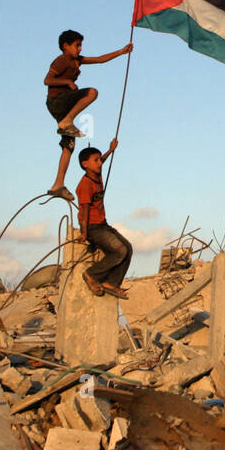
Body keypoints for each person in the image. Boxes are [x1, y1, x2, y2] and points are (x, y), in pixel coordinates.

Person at [44, 30, 133, 201]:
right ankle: (67, 120)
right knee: (92, 92)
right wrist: (67, 82)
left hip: (63, 106)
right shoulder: (62, 60)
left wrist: (121, 52)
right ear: (65, 46)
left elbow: (99, 59)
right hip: (57, 101)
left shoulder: (77, 61)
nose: (79, 48)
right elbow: (47, 80)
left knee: (68, 145)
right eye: (77, 45)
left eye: (80, 45)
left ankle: (58, 184)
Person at [75, 140, 131, 299]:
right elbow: (84, 211)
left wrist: (110, 150)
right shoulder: (85, 185)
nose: (100, 163)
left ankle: (112, 283)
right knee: (120, 251)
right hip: (93, 227)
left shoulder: (96, 174)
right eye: (96, 160)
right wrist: (85, 234)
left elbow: (101, 162)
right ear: (85, 164)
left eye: (100, 160)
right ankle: (91, 274)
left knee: (129, 248)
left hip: (102, 224)